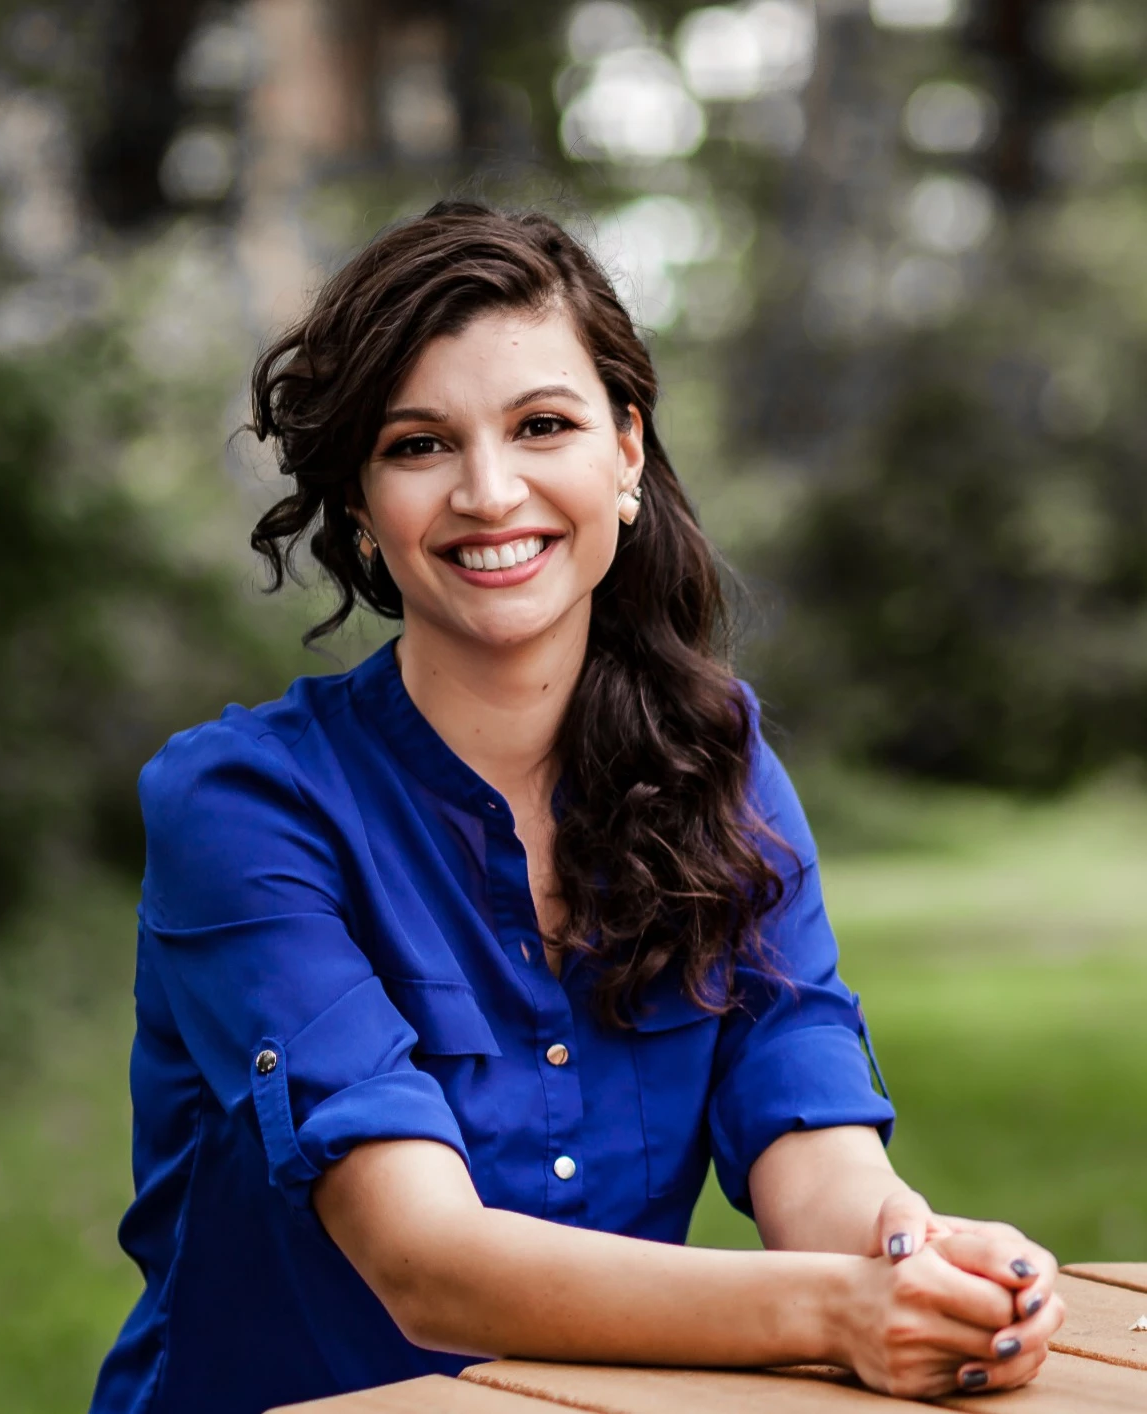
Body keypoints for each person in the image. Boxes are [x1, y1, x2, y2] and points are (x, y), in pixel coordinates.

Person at [89, 201, 1063, 1414]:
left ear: (626, 452)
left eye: (541, 425)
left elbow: (799, 1119)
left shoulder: (722, 763)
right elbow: (422, 1261)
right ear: (358, 507)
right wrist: (833, 1309)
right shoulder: (243, 805)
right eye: (418, 444)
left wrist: (915, 1258)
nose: (491, 493)